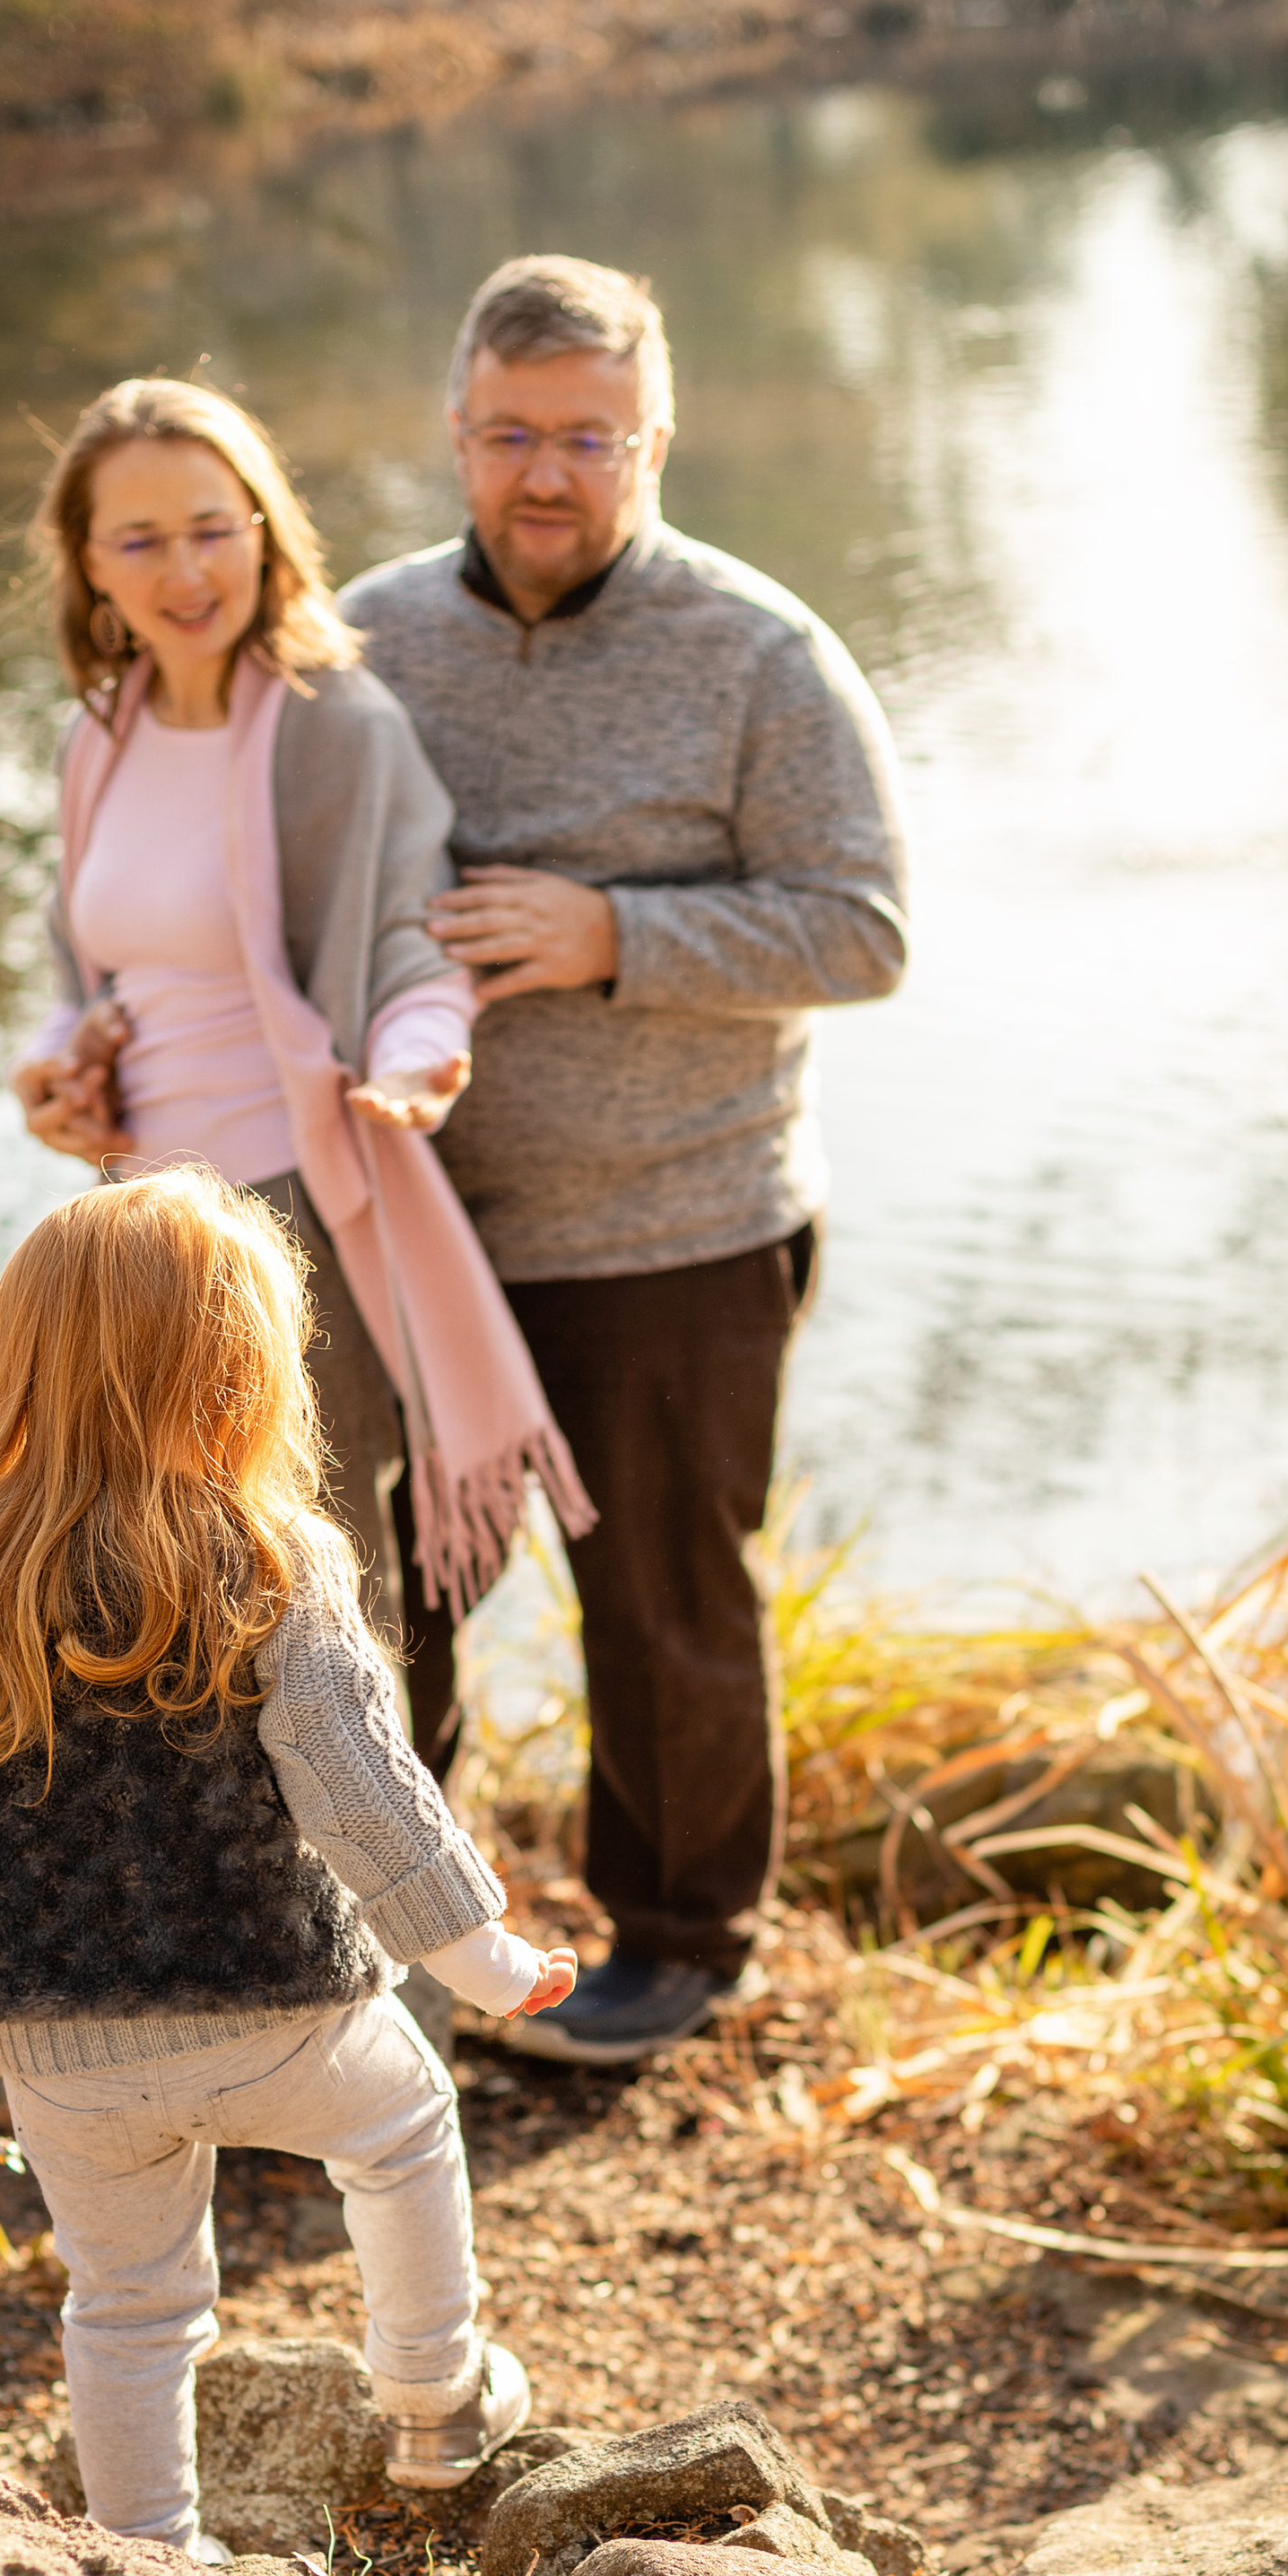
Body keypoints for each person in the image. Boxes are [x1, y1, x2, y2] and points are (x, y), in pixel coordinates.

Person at [0, 1171, 577, 2540]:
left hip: (56, 2050)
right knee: (407, 2132)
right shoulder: (272, 1555)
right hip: (273, 2013)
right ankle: (435, 2401)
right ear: (240, 1371)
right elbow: (361, 1789)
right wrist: (476, 1956)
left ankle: (147, 2564)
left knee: (127, 2303)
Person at [341, 254, 909, 2067]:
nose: (543, 475)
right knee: (380, 1597)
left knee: (663, 1605)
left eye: (587, 437)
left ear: (654, 438)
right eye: (509, 434)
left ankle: (670, 1947)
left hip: (677, 1223)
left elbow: (863, 932)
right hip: (408, 1227)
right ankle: (405, 1935)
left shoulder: (756, 653)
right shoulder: (354, 640)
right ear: (455, 433)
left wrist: (612, 935)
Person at [7, 374, 591, 1669]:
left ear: (266, 530)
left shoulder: (336, 727)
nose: (185, 569)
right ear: (90, 566)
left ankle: (390, 1860)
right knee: (161, 1562)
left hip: (287, 1213)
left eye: (213, 526)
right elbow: (83, 982)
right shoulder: (95, 738)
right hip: (134, 1222)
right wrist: (53, 1072)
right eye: (141, 540)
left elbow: (408, 937)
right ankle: (219, 1866)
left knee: (323, 1572)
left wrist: (416, 1057)